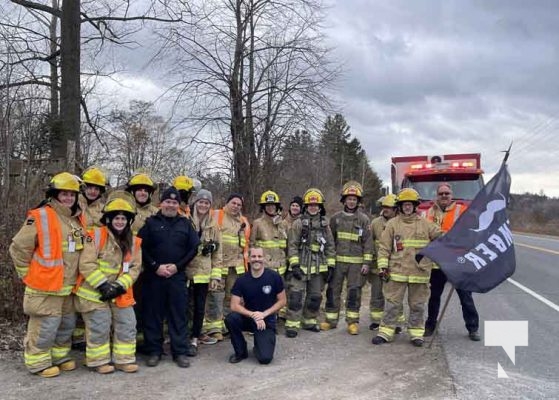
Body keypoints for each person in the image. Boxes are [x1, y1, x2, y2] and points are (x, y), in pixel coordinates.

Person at [9, 172, 86, 377]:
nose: (69, 198)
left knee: (66, 325)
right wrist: (27, 276)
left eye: (72, 194)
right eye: (64, 194)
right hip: (45, 286)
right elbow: (18, 248)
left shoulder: (76, 218)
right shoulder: (41, 215)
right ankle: (37, 361)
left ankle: (59, 357)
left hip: (69, 286)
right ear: (55, 194)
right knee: (45, 325)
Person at [75, 193, 142, 373]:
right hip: (94, 293)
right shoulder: (95, 236)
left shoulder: (134, 242)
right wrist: (103, 285)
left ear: (129, 221)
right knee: (99, 326)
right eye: (116, 218)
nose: (119, 221)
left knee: (128, 323)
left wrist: (119, 286)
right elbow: (86, 264)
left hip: (119, 292)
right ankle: (98, 362)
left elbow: (134, 268)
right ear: (109, 219)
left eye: (123, 218)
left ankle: (123, 360)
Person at [138, 187, 200, 368]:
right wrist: (155, 266)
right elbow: (140, 247)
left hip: (176, 277)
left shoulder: (185, 223)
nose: (171, 205)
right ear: (161, 203)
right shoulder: (150, 223)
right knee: (153, 315)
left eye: (174, 202)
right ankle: (154, 351)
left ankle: (179, 352)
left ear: (178, 205)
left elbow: (193, 248)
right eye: (168, 201)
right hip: (154, 277)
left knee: (178, 315)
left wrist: (177, 267)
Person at [372, 188, 442, 347]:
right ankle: (386, 331)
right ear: (400, 206)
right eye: (405, 204)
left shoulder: (425, 224)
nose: (408, 207)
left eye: (410, 204)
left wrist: (459, 233)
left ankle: (416, 333)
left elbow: (441, 237)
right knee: (392, 303)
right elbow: (384, 248)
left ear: (415, 206)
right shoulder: (392, 224)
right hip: (397, 272)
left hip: (419, 272)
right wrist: (382, 267)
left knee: (417, 305)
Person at [424, 183, 481, 341]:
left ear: (451, 195)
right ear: (436, 195)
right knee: (434, 297)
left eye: (447, 193)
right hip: (437, 263)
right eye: (441, 193)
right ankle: (430, 326)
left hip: (457, 262)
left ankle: (473, 328)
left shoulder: (461, 211)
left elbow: (471, 233)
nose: (444, 196)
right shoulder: (428, 213)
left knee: (466, 297)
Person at [321, 181, 372, 335]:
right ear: (344, 200)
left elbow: (368, 242)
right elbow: (330, 241)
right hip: (337, 262)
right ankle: (330, 320)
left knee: (354, 292)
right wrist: (329, 260)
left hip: (356, 265)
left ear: (358, 202)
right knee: (333, 291)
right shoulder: (335, 218)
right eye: (349, 199)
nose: (351, 201)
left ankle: (352, 322)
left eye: (354, 199)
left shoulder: (364, 220)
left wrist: (366, 262)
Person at [285, 188, 335, 338]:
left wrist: (331, 266)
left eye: (316, 205)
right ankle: (292, 324)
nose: (313, 207)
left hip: (318, 267)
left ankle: (309, 321)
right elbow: (292, 245)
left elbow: (330, 246)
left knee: (315, 296)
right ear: (306, 206)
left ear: (320, 207)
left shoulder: (325, 224)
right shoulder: (299, 223)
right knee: (295, 296)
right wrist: (294, 265)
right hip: (300, 265)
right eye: (310, 205)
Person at [225, 247, 286, 364]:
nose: (256, 259)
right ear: (248, 259)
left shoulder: (274, 277)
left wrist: (264, 314)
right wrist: (253, 315)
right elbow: (234, 305)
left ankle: (259, 345)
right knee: (231, 319)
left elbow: (282, 301)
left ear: (264, 259)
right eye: (253, 256)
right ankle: (241, 352)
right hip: (249, 318)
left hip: (266, 320)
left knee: (265, 359)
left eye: (259, 256)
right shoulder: (242, 280)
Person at [203, 193, 251, 341]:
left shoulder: (243, 221)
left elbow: (246, 244)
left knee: (232, 298)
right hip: (219, 264)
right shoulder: (216, 215)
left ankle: (227, 325)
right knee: (215, 296)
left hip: (236, 267)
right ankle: (214, 328)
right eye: (233, 203)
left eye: (239, 204)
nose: (236, 206)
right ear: (227, 203)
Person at [73, 166, 108, 350]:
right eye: (90, 187)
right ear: (84, 187)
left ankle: (88, 336)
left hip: (94, 259)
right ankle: (77, 336)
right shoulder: (73, 203)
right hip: (73, 255)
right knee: (73, 297)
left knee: (89, 295)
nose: (93, 191)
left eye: (97, 188)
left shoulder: (103, 209)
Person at [186, 189, 222, 350]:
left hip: (203, 273)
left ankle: (195, 336)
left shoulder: (213, 226)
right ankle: (182, 335)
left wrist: (215, 276)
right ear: (195, 202)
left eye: (207, 203)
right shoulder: (186, 221)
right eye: (201, 201)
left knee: (200, 306)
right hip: (185, 271)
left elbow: (218, 253)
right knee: (183, 306)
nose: (203, 205)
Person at [368, 194, 400, 331]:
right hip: (377, 266)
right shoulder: (375, 223)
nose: (385, 209)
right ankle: (376, 321)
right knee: (376, 295)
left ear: (395, 209)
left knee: (394, 297)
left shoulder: (400, 223)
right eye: (384, 207)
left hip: (396, 266)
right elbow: (369, 244)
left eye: (389, 207)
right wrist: (369, 262)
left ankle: (396, 323)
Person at [250, 190, 288, 276]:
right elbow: (251, 245)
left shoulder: (283, 224)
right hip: (264, 269)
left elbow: (287, 246)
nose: (270, 208)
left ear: (277, 206)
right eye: (267, 205)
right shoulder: (257, 223)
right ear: (263, 207)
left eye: (273, 205)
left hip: (281, 269)